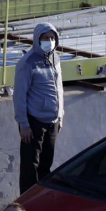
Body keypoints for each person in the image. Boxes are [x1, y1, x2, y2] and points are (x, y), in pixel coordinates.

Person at [14, 23, 64, 193]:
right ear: (37, 39)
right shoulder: (27, 63)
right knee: (30, 167)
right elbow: (19, 96)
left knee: (46, 166)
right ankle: (25, 208)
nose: (49, 41)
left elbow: (59, 89)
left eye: (52, 38)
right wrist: (24, 124)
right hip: (34, 123)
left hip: (52, 122)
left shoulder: (55, 58)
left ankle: (42, 205)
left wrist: (60, 116)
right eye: (45, 38)